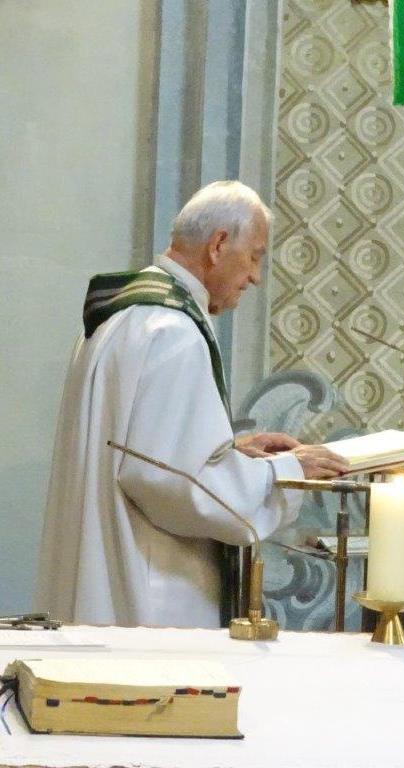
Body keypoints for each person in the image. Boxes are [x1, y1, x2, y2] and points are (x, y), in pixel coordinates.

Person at [35, 181, 348, 629]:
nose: (255, 277)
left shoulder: (124, 316)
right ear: (218, 245)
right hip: (147, 598)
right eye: (254, 256)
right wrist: (285, 472)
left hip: (100, 578)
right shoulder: (173, 332)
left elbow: (144, 451)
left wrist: (232, 452)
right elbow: (170, 484)